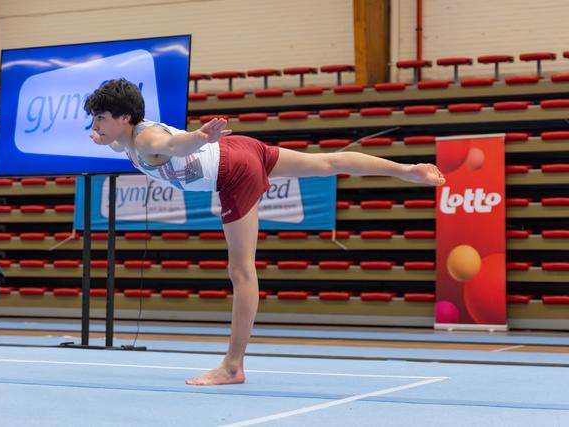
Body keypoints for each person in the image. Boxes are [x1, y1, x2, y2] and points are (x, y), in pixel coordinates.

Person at [84, 78, 445, 386]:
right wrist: (102, 138)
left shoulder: (146, 140)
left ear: (125, 117)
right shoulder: (123, 138)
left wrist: (198, 136)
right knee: (327, 163)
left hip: (232, 171)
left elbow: (174, 145)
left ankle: (232, 366)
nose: (95, 124)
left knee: (241, 271)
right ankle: (407, 170)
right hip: (241, 147)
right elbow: (117, 142)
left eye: (100, 118)